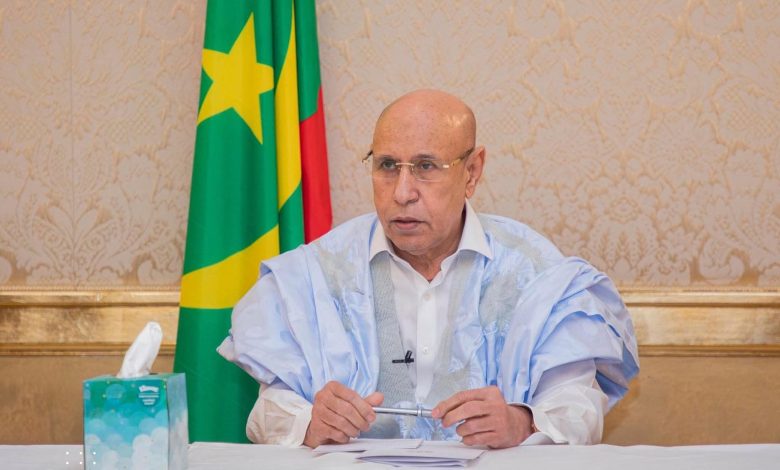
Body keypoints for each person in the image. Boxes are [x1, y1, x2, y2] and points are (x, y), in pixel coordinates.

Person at [218, 89, 639, 449]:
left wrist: (523, 422)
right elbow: (268, 410)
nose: (402, 193)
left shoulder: (535, 273)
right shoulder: (319, 272)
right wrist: (309, 422)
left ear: (472, 172)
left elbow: (577, 404)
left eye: (425, 167)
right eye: (387, 166)